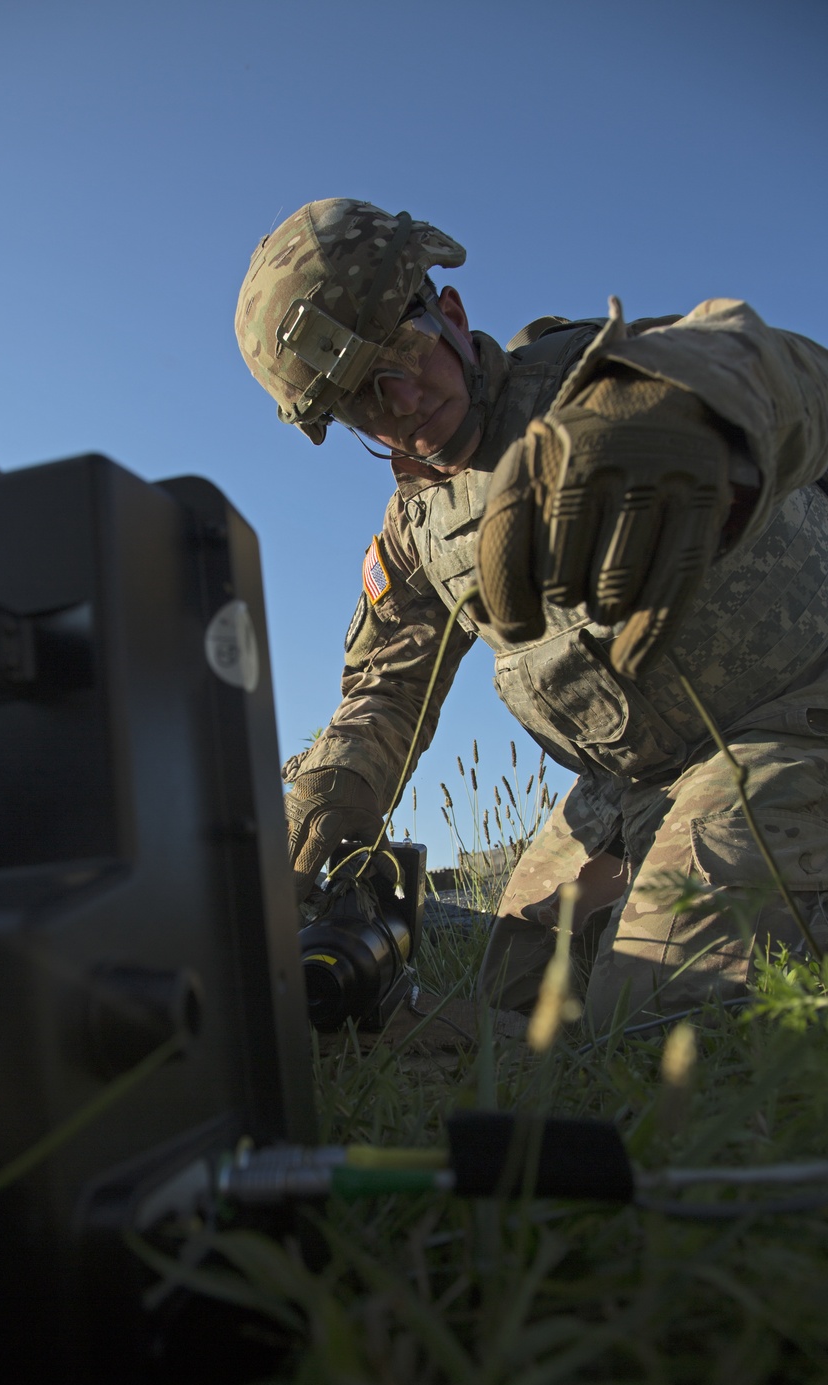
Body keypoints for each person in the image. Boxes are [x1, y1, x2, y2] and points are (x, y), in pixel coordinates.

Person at [235, 198, 828, 1029]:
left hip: (786, 727)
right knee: (516, 1000)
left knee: (657, 1017)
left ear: (451, 314)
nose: (401, 402)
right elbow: (385, 696)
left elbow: (779, 370)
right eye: (363, 398)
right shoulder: (419, 531)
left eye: (403, 356)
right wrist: (325, 797)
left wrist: (710, 423)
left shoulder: (601, 381)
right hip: (630, 787)